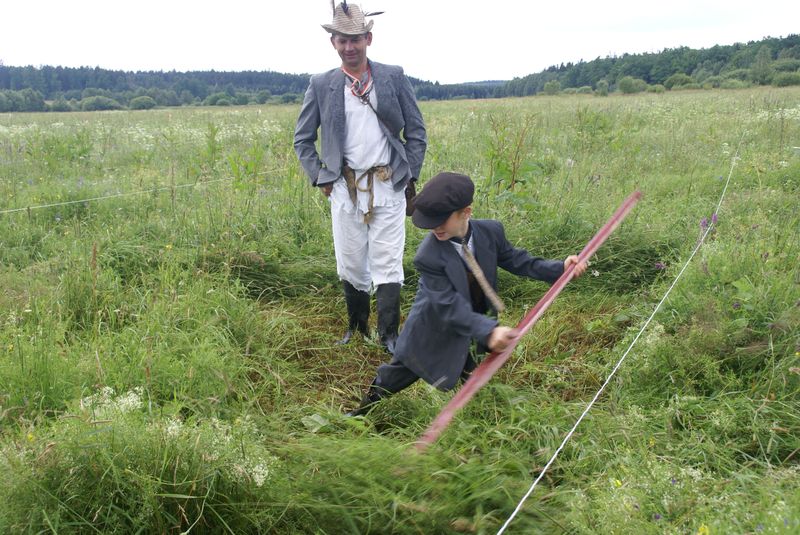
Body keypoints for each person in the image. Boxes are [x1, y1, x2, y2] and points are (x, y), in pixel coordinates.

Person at [347, 172, 588, 415]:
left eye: (441, 220)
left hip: (475, 324)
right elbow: (448, 305)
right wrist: (489, 331)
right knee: (397, 374)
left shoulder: (491, 232)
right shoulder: (428, 256)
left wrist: (559, 268)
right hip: (432, 328)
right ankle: (362, 412)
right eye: (430, 221)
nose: (435, 227)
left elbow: (518, 260)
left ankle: (475, 417)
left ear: (466, 212)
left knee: (472, 373)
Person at [294, 2, 427, 353]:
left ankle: (389, 335)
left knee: (388, 259)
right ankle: (357, 329)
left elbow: (416, 131)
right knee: (351, 261)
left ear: (368, 38)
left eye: (355, 39)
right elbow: (302, 139)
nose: (349, 47)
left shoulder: (393, 76)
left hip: (388, 184)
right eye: (342, 40)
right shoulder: (321, 84)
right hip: (344, 188)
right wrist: (321, 176)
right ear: (333, 43)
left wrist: (409, 172)